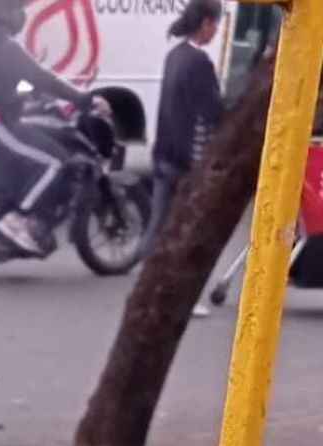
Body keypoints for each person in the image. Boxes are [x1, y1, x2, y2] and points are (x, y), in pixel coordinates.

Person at [0, 0, 106, 254]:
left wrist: (25, 93)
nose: (20, 14)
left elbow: (15, 80)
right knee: (56, 162)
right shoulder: (3, 45)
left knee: (40, 150)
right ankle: (18, 218)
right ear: (4, 12)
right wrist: (84, 100)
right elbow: (41, 78)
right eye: (15, 8)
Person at [145, 0, 224, 315]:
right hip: (188, 159)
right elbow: (214, 112)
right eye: (215, 23)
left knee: (159, 225)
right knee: (187, 232)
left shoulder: (174, 56)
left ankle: (150, 288)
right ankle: (177, 298)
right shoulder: (199, 64)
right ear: (205, 22)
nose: (216, 30)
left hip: (165, 152)